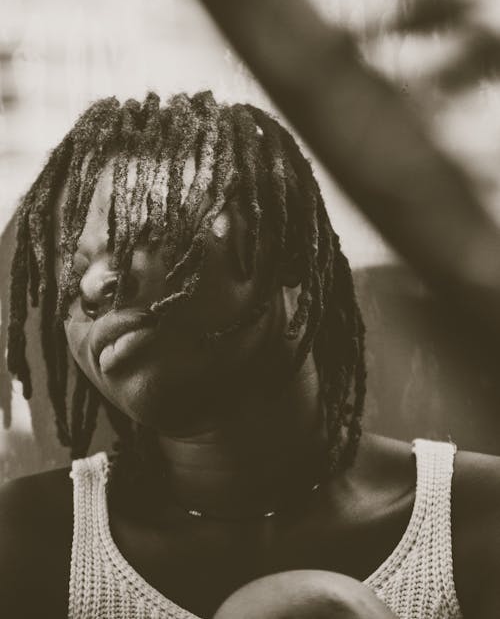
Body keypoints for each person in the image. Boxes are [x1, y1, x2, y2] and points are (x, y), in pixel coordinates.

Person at [0, 91, 499, 619]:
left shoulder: (480, 521)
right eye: (70, 275)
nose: (98, 283)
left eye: (138, 231)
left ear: (282, 252)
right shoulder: (23, 543)